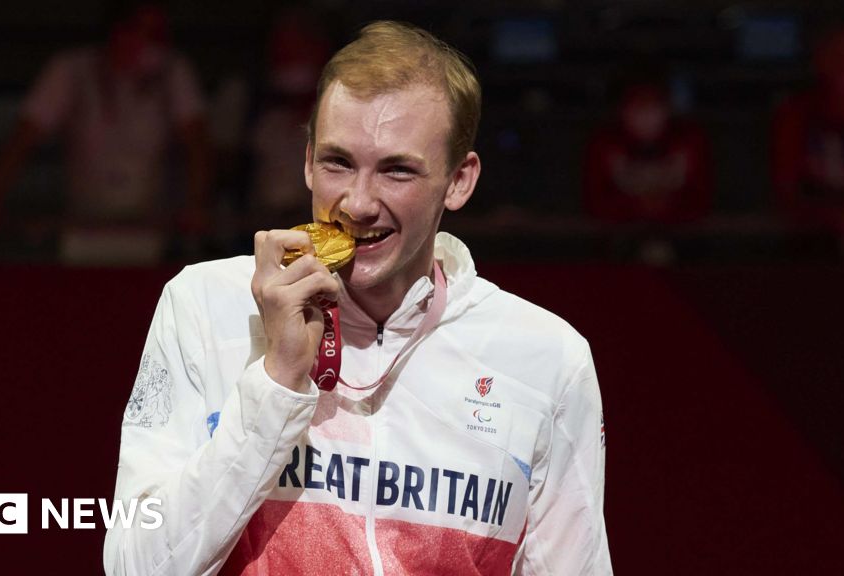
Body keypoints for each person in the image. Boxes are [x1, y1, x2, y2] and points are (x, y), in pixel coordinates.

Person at [104, 21, 611, 575]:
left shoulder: (546, 358)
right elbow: (135, 566)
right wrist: (276, 380)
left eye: (397, 170)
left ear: (459, 181)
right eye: (338, 162)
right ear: (306, 161)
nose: (358, 203)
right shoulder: (205, 308)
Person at [0, 3, 210, 265]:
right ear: (117, 31)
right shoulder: (71, 70)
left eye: (157, 36)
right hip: (82, 228)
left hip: (149, 229)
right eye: (142, 32)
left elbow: (197, 144)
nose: (149, 45)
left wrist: (197, 204)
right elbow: (23, 139)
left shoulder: (172, 71)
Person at [772, 24, 844, 257]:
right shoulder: (796, 116)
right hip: (815, 247)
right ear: (821, 62)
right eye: (841, 55)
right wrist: (833, 217)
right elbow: (785, 193)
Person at [584, 81, 711, 263]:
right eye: (638, 109)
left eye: (653, 109)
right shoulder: (604, 144)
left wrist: (658, 207)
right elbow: (596, 203)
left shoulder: (689, 140)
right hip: (618, 240)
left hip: (683, 239)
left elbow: (700, 201)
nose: (645, 118)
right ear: (624, 112)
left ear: (667, 110)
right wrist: (641, 206)